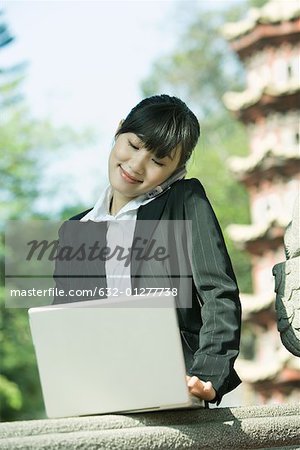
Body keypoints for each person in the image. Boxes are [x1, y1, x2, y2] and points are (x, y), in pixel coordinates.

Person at [53, 94, 242, 406]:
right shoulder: (75, 230)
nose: (136, 165)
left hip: (175, 384)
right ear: (118, 132)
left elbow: (218, 295)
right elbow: (63, 324)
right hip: (96, 391)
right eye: (134, 145)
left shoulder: (184, 201)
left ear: (175, 170)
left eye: (158, 161)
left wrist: (206, 377)